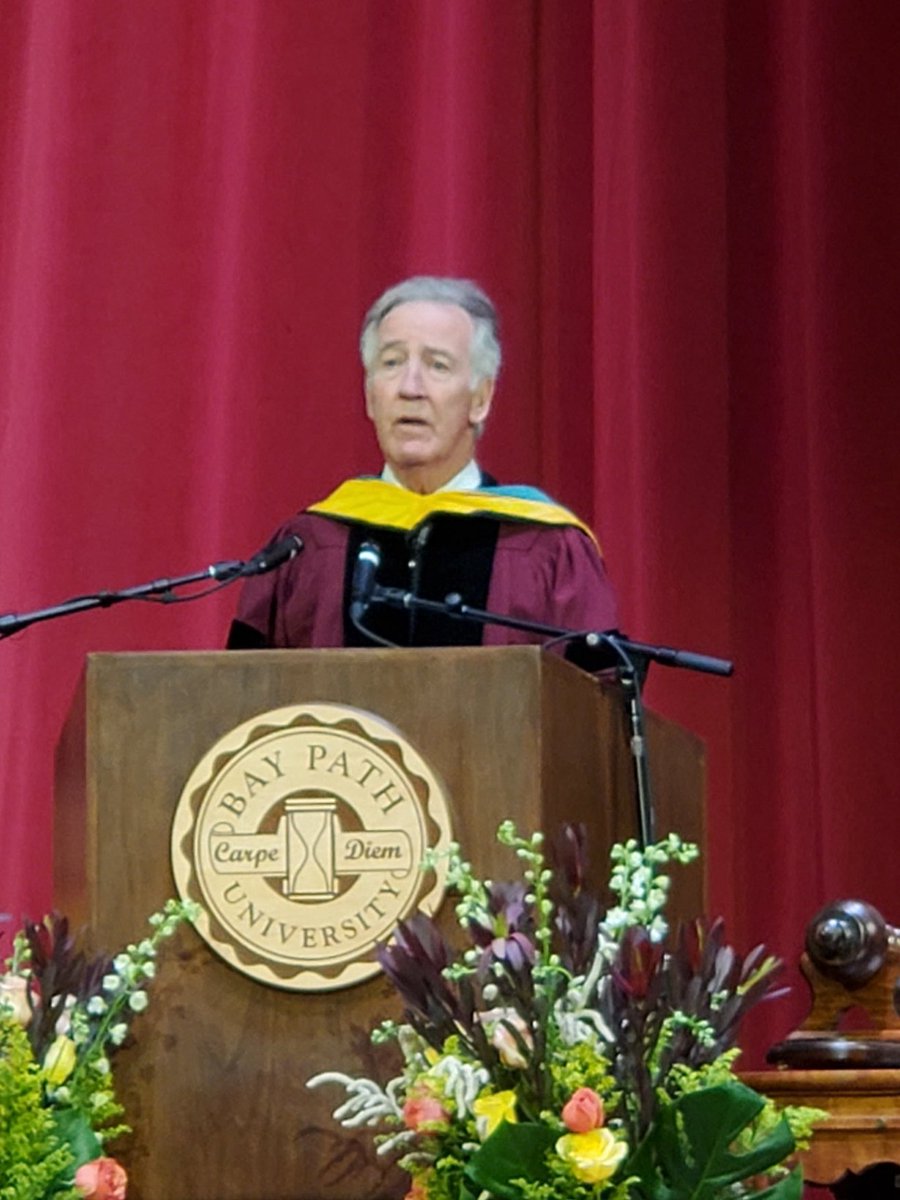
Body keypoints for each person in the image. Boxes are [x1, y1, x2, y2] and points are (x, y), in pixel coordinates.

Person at [227, 276, 618, 651]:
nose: (410, 388)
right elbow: (248, 702)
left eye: (438, 366)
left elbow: (597, 702)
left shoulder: (545, 547)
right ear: (369, 395)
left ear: (480, 399)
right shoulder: (307, 545)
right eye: (392, 363)